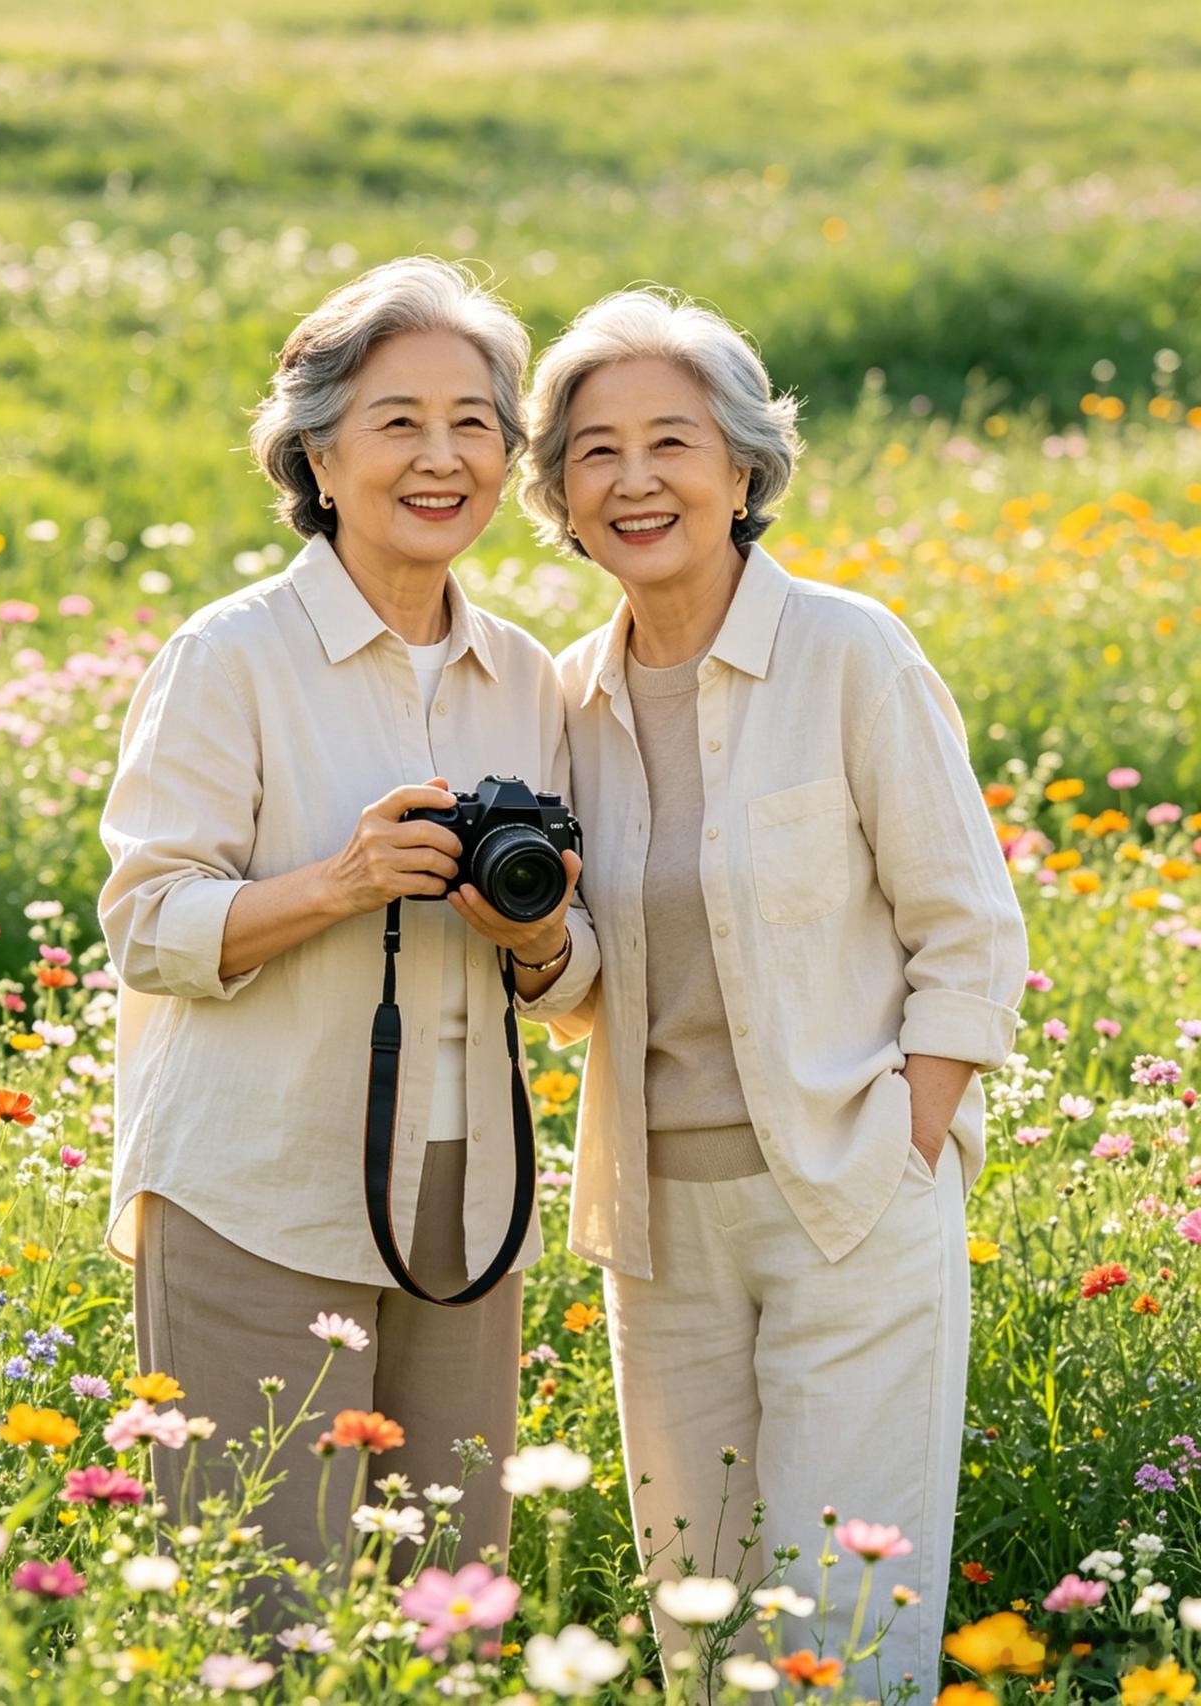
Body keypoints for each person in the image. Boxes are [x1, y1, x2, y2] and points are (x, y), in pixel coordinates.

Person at [518, 287, 1028, 1698]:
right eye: (595, 451)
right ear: (559, 495)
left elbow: (969, 930)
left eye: (670, 441)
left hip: (847, 1197)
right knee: (705, 1626)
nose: (634, 480)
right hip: (657, 1227)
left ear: (743, 469)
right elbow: (581, 981)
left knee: (846, 1629)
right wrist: (533, 944)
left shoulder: (852, 652)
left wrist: (906, 1145)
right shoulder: (566, 701)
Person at [98, 258, 597, 1619]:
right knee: (265, 1606)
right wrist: (342, 882)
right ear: (318, 453)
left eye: (476, 422)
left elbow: (569, 966)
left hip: (466, 1192)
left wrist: (532, 936)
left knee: (452, 1600)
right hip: (255, 1183)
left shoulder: (528, 676)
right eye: (398, 422)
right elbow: (146, 923)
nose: (443, 457)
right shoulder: (231, 656)